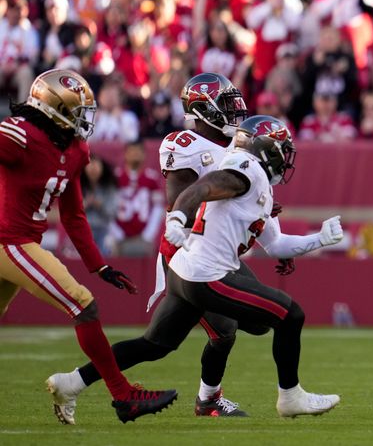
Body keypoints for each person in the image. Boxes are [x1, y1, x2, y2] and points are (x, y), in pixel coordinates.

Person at [53, 115, 344, 419]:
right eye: (281, 150)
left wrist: (319, 239)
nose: (285, 159)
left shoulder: (251, 178)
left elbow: (277, 244)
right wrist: (176, 218)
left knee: (153, 345)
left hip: (184, 271)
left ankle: (72, 382)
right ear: (265, 149)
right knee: (289, 314)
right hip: (208, 276)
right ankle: (290, 397)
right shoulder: (247, 169)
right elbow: (201, 188)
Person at [47, 73, 254, 419]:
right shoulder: (185, 144)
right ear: (204, 109)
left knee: (157, 345)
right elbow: (179, 201)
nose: (236, 110)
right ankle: (210, 400)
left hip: (213, 248)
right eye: (227, 103)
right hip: (190, 250)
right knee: (242, 324)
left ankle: (73, 382)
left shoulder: (233, 147)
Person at [0, 69, 176, 425]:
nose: (84, 120)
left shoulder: (76, 149)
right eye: (77, 112)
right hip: (9, 241)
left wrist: (100, 266)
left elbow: (74, 215)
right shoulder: (20, 134)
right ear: (53, 109)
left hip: (20, 244)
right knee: (83, 304)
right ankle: (124, 395)